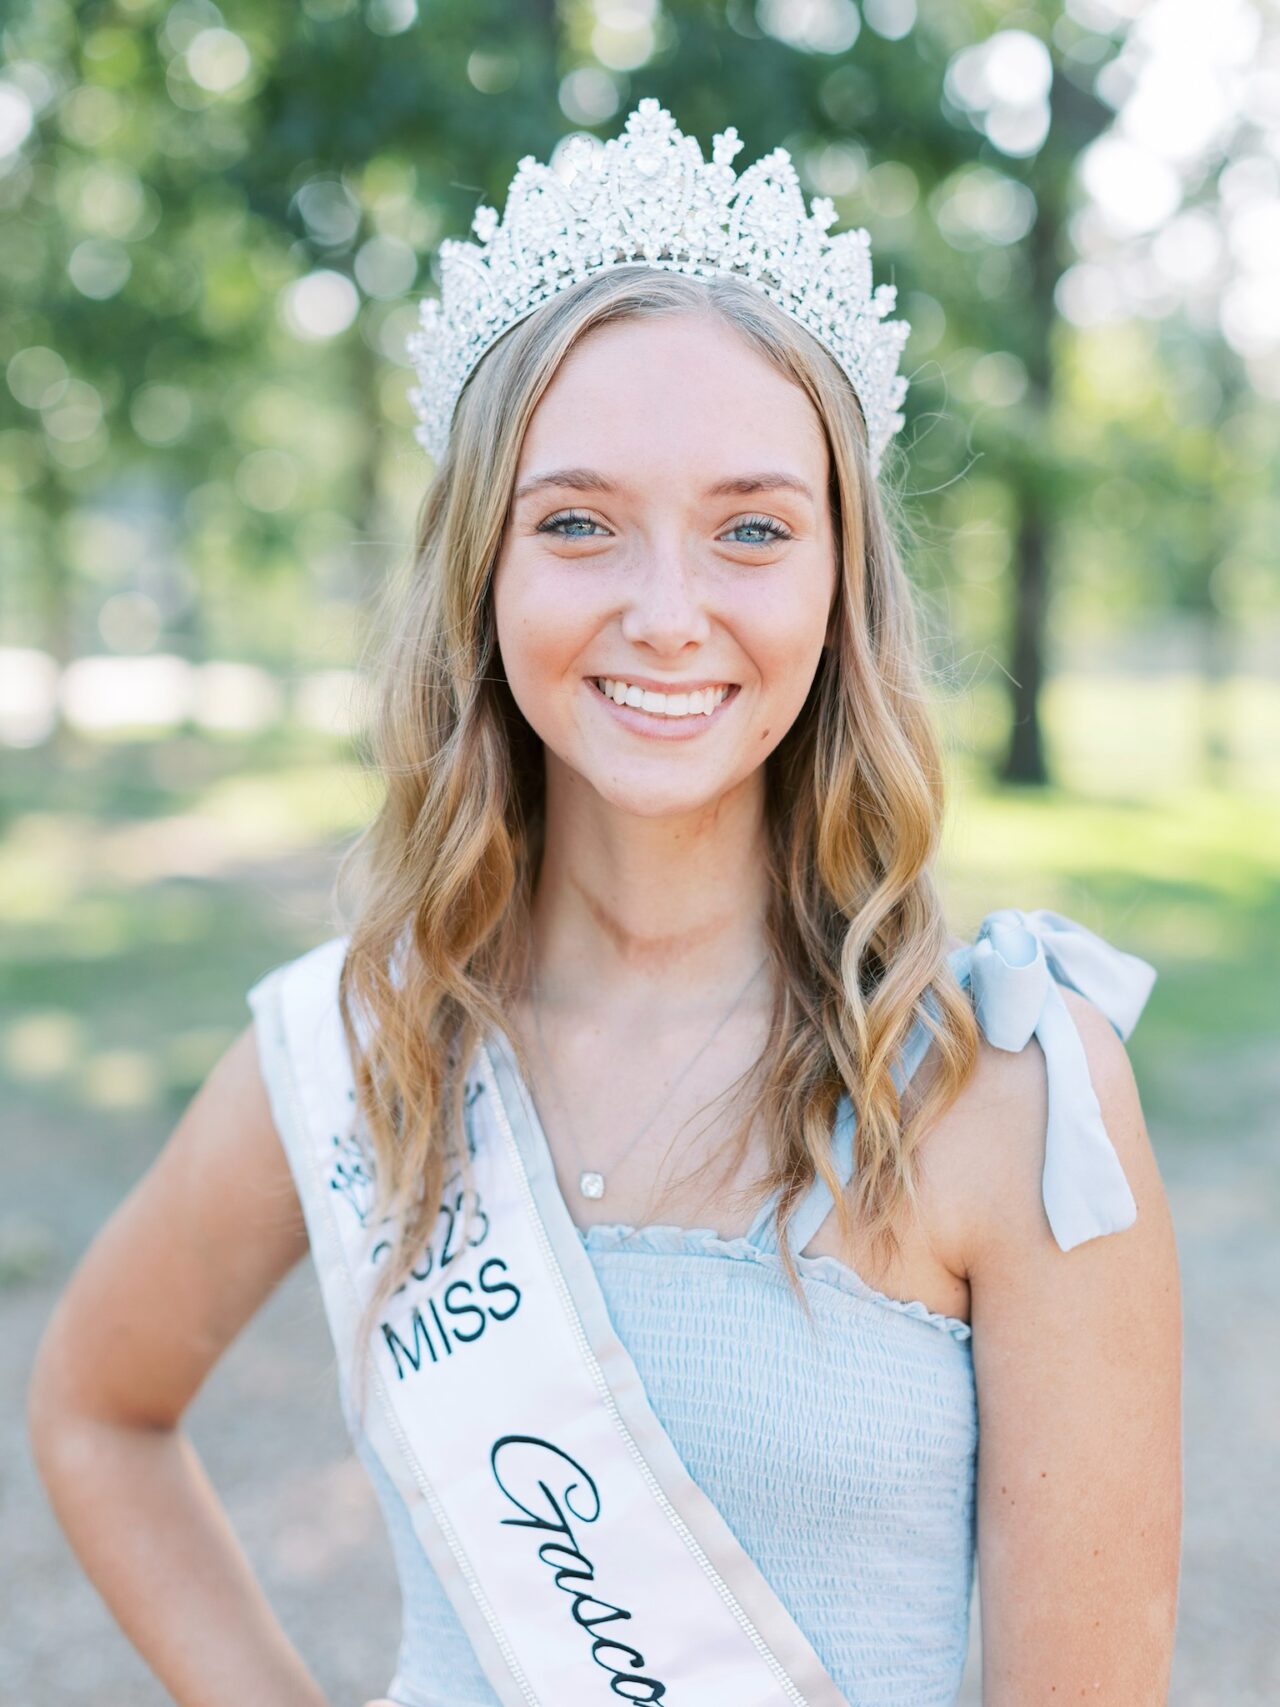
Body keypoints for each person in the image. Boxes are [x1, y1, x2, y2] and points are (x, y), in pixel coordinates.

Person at [26, 102, 1182, 1707]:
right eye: (575, 522)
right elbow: (96, 1407)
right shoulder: (367, 1048)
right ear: (482, 577)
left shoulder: (1005, 1088)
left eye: (753, 530)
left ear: (840, 582)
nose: (663, 612)